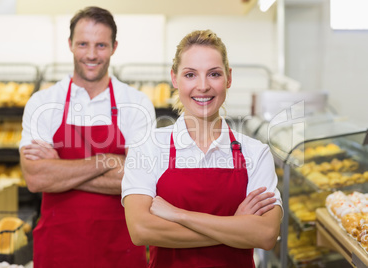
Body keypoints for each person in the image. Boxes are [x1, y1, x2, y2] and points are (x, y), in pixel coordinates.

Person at [122, 29, 283, 268]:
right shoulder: (147, 147)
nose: (203, 86)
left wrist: (179, 215)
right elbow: (141, 229)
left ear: (228, 78)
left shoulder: (255, 153)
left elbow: (266, 234)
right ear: (174, 79)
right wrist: (234, 226)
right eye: (190, 75)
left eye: (214, 74)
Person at [20, 6, 155, 268]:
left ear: (114, 47)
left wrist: (59, 172)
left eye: (101, 45)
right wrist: (107, 161)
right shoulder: (44, 102)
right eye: (83, 44)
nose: (91, 55)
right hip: (58, 249)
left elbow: (142, 179)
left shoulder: (136, 103)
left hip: (120, 250)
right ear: (70, 44)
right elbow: (36, 178)